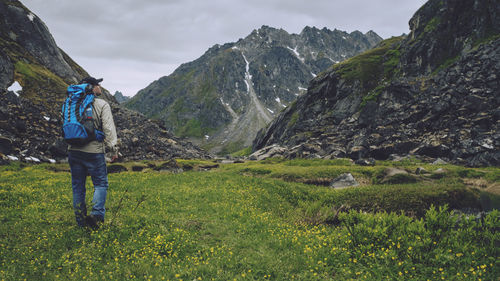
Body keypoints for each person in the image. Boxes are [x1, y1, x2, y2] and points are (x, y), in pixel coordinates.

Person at [67, 76, 118, 229]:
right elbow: (109, 129)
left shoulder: (70, 104)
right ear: (92, 87)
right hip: (94, 152)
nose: (100, 88)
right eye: (98, 85)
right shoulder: (102, 104)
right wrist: (113, 149)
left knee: (78, 187)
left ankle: (81, 222)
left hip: (73, 151)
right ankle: (96, 217)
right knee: (100, 184)